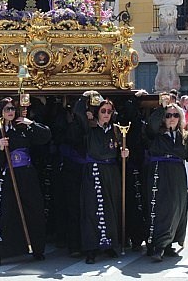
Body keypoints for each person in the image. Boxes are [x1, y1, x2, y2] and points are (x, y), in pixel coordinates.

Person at [0, 97, 51, 266]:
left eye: (12, 109)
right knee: (6, 213)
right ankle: (1, 252)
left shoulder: (23, 127)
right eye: (7, 109)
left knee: (33, 209)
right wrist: (1, 148)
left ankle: (37, 248)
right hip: (9, 176)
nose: (10, 112)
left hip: (27, 175)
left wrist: (31, 123)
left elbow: (45, 137)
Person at [145, 101, 188, 262]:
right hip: (159, 172)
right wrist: (163, 106)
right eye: (168, 115)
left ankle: (169, 243)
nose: (172, 118)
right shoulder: (155, 134)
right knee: (162, 208)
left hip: (177, 174)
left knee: (177, 207)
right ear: (163, 118)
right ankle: (157, 245)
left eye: (175, 115)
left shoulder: (184, 136)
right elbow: (152, 124)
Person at [71, 95, 128, 264]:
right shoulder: (89, 128)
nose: (106, 114)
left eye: (109, 111)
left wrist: (125, 154)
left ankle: (110, 244)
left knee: (111, 207)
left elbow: (120, 150)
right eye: (103, 111)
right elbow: (78, 111)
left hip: (111, 171)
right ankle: (91, 248)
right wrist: (87, 96)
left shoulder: (116, 130)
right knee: (92, 209)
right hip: (94, 170)